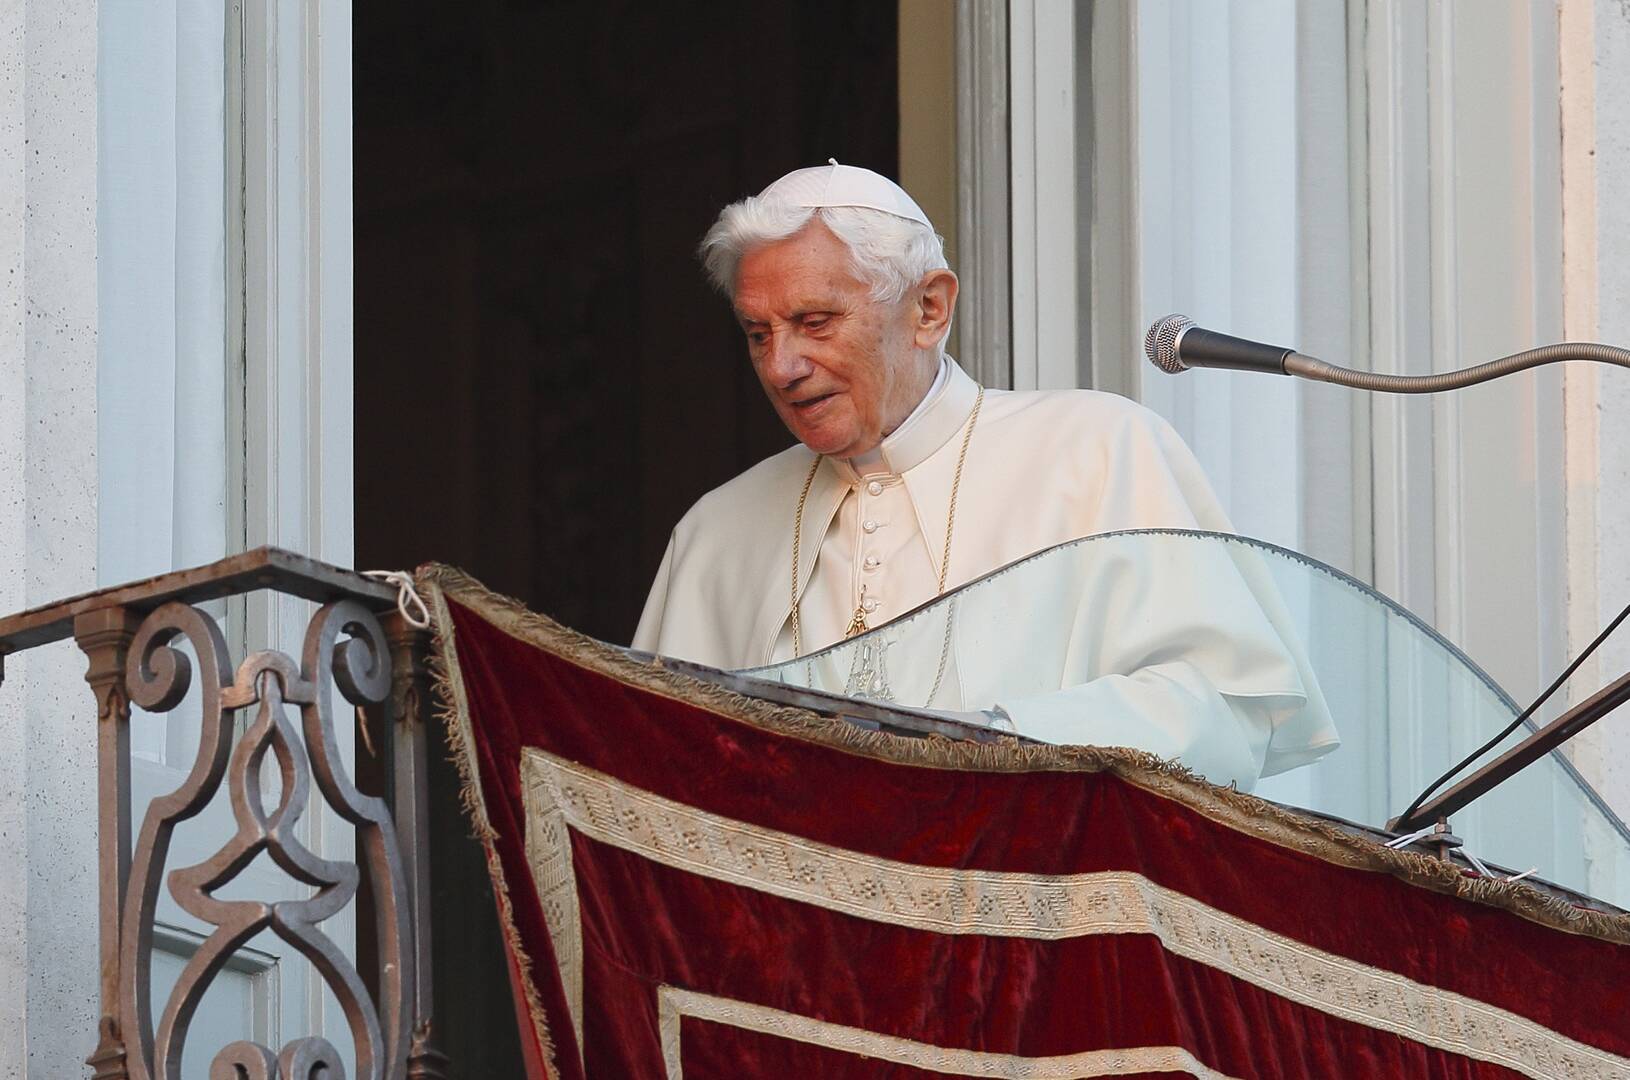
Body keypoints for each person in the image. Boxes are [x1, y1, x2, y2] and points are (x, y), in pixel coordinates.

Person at [633, 161, 1337, 789]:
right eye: (759, 334)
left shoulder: (1095, 448)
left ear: (928, 308)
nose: (782, 366)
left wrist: (989, 741)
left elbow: (1222, 710)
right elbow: (652, 776)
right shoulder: (716, 530)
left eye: (816, 322)